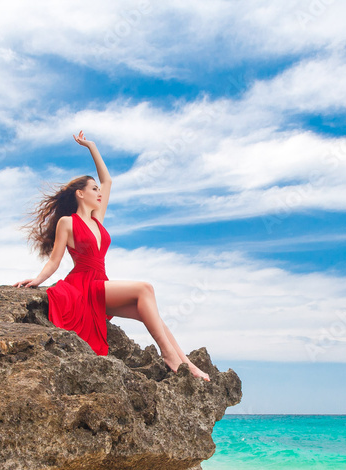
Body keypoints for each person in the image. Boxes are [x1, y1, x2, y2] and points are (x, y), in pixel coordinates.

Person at [14, 131, 211, 381]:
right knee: (145, 288)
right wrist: (36, 281)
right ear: (80, 194)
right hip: (83, 286)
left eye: (99, 190)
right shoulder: (67, 222)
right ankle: (168, 355)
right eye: (93, 189)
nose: (99, 192)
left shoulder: (98, 220)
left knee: (148, 312)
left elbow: (108, 181)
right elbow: (54, 261)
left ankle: (187, 363)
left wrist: (92, 147)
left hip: (101, 284)